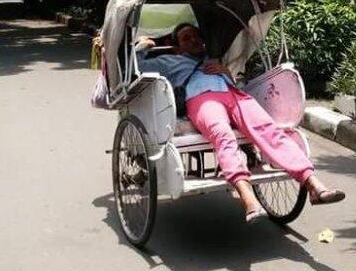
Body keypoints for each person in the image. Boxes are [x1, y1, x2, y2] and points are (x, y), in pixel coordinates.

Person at [136, 23, 345, 223]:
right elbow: (137, 67)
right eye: (186, 38)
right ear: (177, 46)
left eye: (197, 36)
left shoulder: (215, 59)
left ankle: (314, 185)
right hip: (201, 99)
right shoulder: (169, 61)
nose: (194, 40)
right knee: (223, 136)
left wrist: (226, 72)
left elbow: (234, 79)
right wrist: (143, 46)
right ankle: (248, 199)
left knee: (269, 129)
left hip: (234, 95)